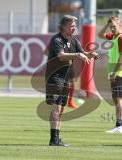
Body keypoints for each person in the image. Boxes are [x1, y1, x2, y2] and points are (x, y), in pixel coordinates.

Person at [46, 15, 97, 146]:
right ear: (63, 26)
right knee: (56, 108)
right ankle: (53, 140)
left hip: (65, 78)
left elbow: (82, 52)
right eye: (72, 26)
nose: (74, 28)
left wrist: (90, 54)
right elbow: (61, 56)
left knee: (61, 109)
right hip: (54, 77)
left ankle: (57, 138)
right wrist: (77, 55)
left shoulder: (73, 40)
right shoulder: (56, 39)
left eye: (75, 25)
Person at [98, 16, 122, 133]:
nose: (112, 29)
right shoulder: (115, 37)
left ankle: (119, 125)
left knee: (118, 100)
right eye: (111, 27)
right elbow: (100, 35)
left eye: (114, 26)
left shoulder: (121, 38)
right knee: (121, 100)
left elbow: (121, 57)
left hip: (119, 72)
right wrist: (107, 24)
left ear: (119, 24)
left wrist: (114, 73)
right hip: (120, 72)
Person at [44, 43, 78, 109]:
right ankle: (57, 102)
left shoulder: (72, 41)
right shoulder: (56, 40)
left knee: (72, 83)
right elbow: (45, 52)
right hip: (59, 66)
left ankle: (70, 102)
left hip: (69, 65)